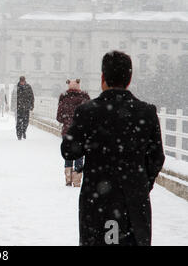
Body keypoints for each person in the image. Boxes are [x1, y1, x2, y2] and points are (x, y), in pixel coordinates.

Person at [61, 51, 165, 246]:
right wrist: (140, 184)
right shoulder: (147, 112)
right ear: (129, 78)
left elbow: (69, 151)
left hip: (97, 201)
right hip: (134, 204)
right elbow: (157, 158)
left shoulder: (87, 111)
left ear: (103, 77)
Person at [57, 79, 91, 187]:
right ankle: (77, 180)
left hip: (67, 131)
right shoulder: (85, 100)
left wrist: (67, 121)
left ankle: (68, 179)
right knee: (79, 155)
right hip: (81, 132)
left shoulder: (64, 99)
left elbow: (59, 117)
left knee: (68, 155)